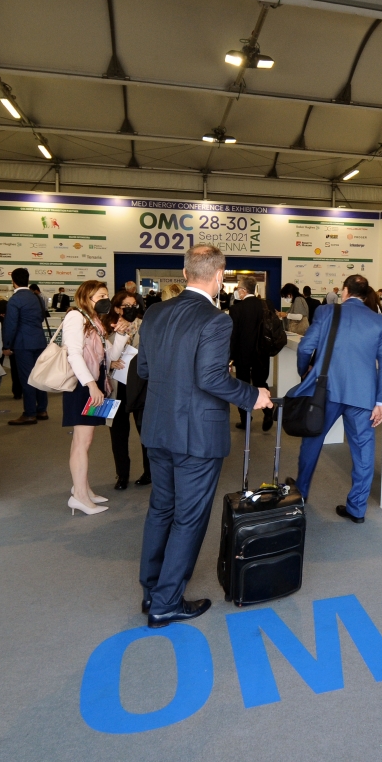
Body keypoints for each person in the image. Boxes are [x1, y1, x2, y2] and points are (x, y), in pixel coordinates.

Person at [135, 244, 271, 626]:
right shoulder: (216, 320)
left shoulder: (155, 313)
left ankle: (151, 591)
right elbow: (210, 379)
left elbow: (143, 369)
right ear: (220, 275)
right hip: (196, 436)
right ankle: (166, 602)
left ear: (185, 273)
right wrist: (254, 396)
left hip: (158, 428)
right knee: (188, 518)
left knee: (161, 509)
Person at [293, 275, 382, 524]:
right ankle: (357, 509)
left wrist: (305, 372)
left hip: (327, 391)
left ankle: (300, 494)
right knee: (363, 451)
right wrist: (381, 402)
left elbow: (305, 347)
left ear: (345, 291)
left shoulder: (326, 312)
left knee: (312, 441)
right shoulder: (378, 320)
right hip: (363, 395)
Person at [65, 281, 132, 514]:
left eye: (106, 295)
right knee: (82, 442)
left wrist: (121, 334)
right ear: (87, 297)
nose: (106, 299)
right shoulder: (75, 317)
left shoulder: (94, 320)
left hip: (96, 384)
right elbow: (73, 354)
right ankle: (80, 496)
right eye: (101, 295)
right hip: (84, 386)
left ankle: (82, 488)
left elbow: (109, 356)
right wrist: (91, 385)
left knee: (83, 441)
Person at [106, 290, 150, 490]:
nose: (132, 309)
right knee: (118, 433)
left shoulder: (145, 325)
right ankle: (122, 474)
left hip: (140, 386)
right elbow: (97, 355)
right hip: (115, 387)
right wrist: (109, 363)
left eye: (135, 305)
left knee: (145, 431)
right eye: (127, 306)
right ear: (117, 308)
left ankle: (149, 472)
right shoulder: (106, 327)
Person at [1, 268, 49, 425]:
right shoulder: (37, 297)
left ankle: (29, 413)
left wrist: (7, 345)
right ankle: (42, 409)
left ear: (13, 281)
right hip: (39, 341)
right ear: (28, 280)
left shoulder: (15, 300)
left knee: (27, 378)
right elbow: (41, 317)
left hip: (23, 344)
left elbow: (10, 324)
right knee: (39, 376)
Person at [230, 276, 275, 432]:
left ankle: (245, 419)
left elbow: (233, 336)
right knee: (261, 383)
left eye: (238, 289)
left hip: (242, 355)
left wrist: (230, 357)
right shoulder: (266, 305)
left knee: (242, 387)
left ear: (243, 290)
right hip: (262, 353)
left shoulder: (236, 309)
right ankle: (268, 411)